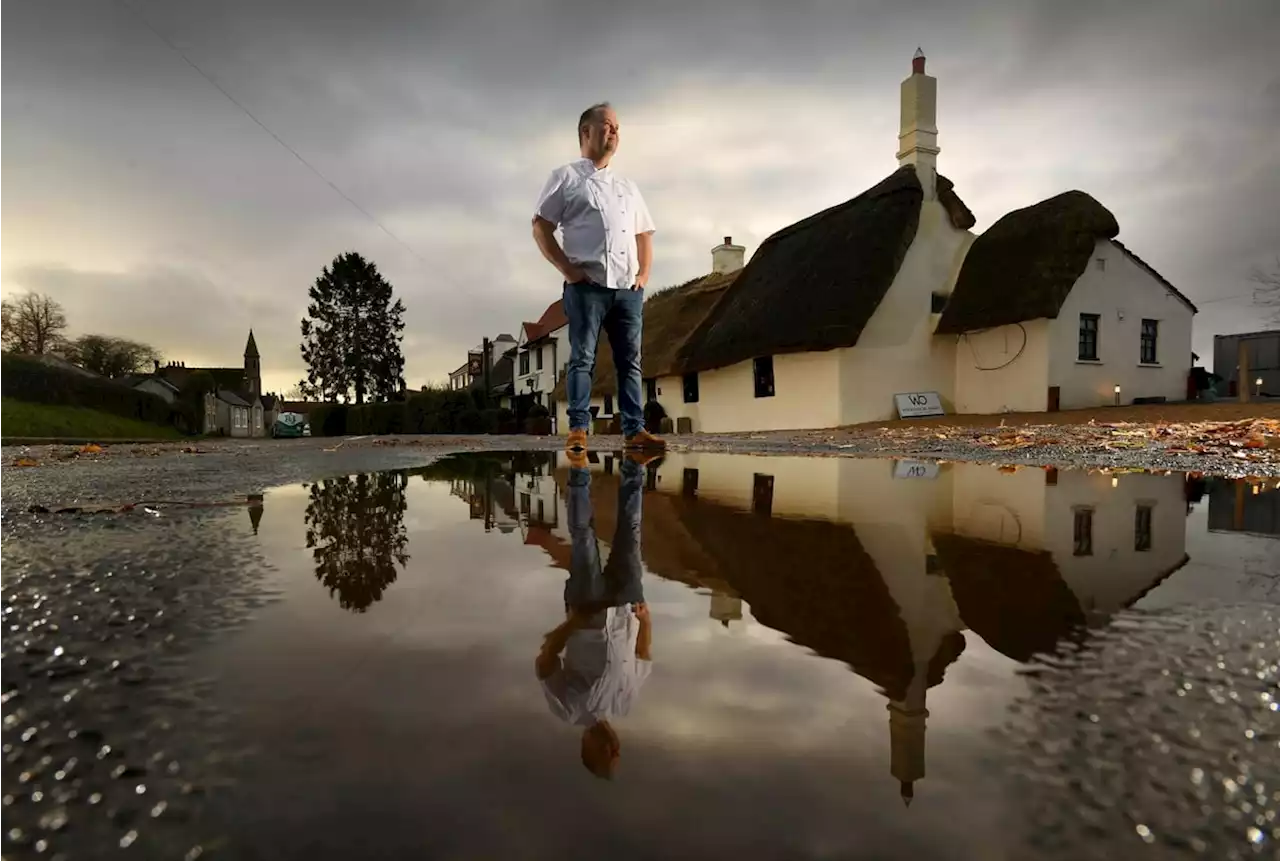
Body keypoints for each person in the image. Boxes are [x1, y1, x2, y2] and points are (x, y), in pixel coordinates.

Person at [531, 102, 666, 454]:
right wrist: (568, 270)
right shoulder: (565, 177)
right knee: (582, 358)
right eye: (607, 125)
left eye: (618, 127)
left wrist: (644, 273)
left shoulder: (628, 187)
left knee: (630, 362)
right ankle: (578, 430)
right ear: (585, 132)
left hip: (627, 291)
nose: (615, 132)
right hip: (586, 287)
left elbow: (644, 233)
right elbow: (541, 226)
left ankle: (635, 430)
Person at [535, 452, 656, 779]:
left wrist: (573, 621)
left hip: (587, 610)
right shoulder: (625, 704)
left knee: (584, 536)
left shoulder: (569, 711)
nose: (616, 749)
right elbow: (643, 656)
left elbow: (545, 662)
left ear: (588, 750)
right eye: (618, 754)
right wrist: (646, 622)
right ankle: (634, 465)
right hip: (627, 604)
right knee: (630, 532)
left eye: (609, 755)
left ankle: (577, 466)